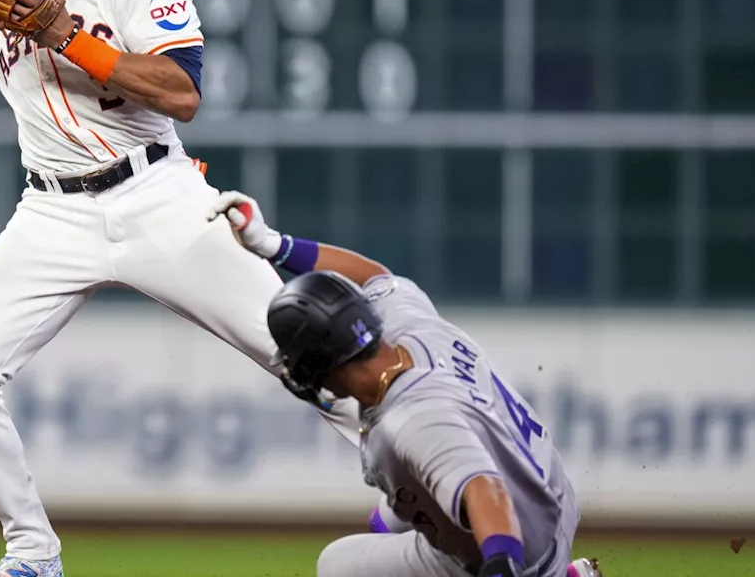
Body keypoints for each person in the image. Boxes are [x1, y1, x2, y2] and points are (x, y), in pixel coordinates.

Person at [0, 0, 360, 575]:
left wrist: (68, 38)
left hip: (155, 195)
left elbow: (181, 93)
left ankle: (470, 515)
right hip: (49, 212)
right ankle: (32, 555)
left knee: (312, 360)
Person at [206, 190, 603, 577]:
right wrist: (273, 245)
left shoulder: (414, 420)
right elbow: (375, 276)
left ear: (322, 363)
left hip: (521, 542)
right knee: (382, 526)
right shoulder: (407, 326)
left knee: (339, 567)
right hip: (549, 489)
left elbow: (486, 492)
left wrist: (501, 566)